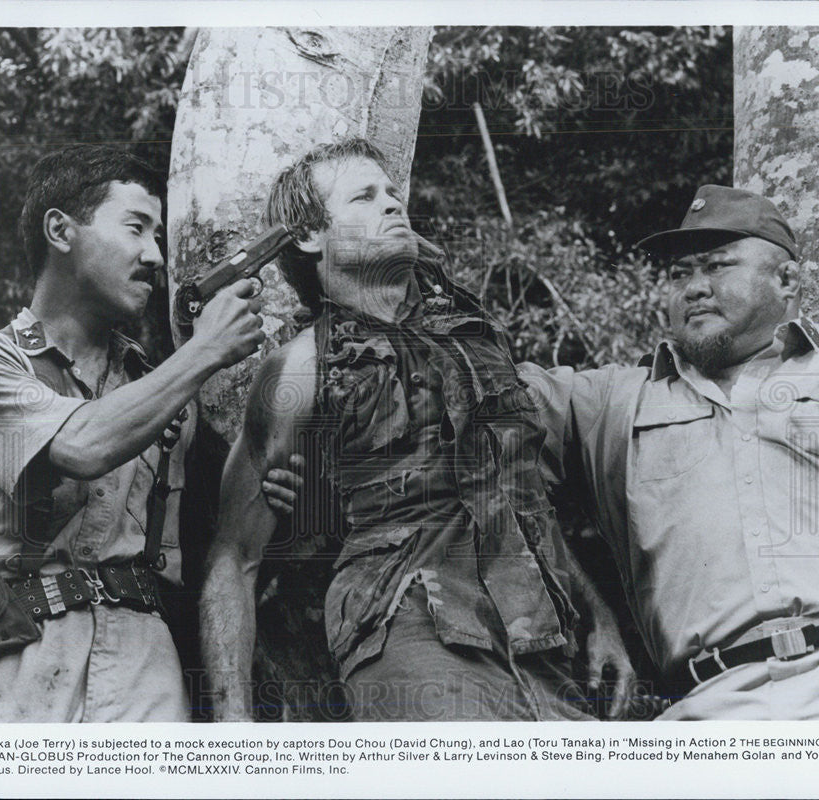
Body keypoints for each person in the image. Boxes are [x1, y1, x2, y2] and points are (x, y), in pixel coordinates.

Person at [201, 138, 634, 722]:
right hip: (409, 634)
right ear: (309, 236)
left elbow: (522, 498)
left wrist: (599, 615)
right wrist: (233, 724)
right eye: (364, 196)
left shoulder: (479, 343)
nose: (392, 204)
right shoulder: (301, 368)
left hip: (543, 647)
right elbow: (235, 555)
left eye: (392, 193)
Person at [0, 144, 282, 722]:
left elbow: (208, 548)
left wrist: (277, 490)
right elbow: (80, 446)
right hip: (9, 665)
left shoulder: (167, 396)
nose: (155, 256)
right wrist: (204, 351)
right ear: (60, 231)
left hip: (148, 668)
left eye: (160, 237)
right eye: (136, 228)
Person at [530, 185, 819, 719]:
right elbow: (472, 395)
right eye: (679, 274)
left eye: (717, 266)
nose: (694, 288)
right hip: (711, 710)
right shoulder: (613, 403)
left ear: (786, 281)